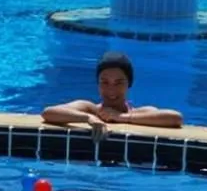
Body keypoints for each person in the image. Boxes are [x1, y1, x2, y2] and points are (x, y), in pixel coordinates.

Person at [41, 51, 183, 139]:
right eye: (105, 82)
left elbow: (175, 118)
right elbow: (48, 112)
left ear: (129, 84)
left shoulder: (141, 113)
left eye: (119, 82)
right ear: (98, 83)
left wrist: (121, 117)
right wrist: (87, 118)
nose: (111, 90)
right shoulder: (90, 109)